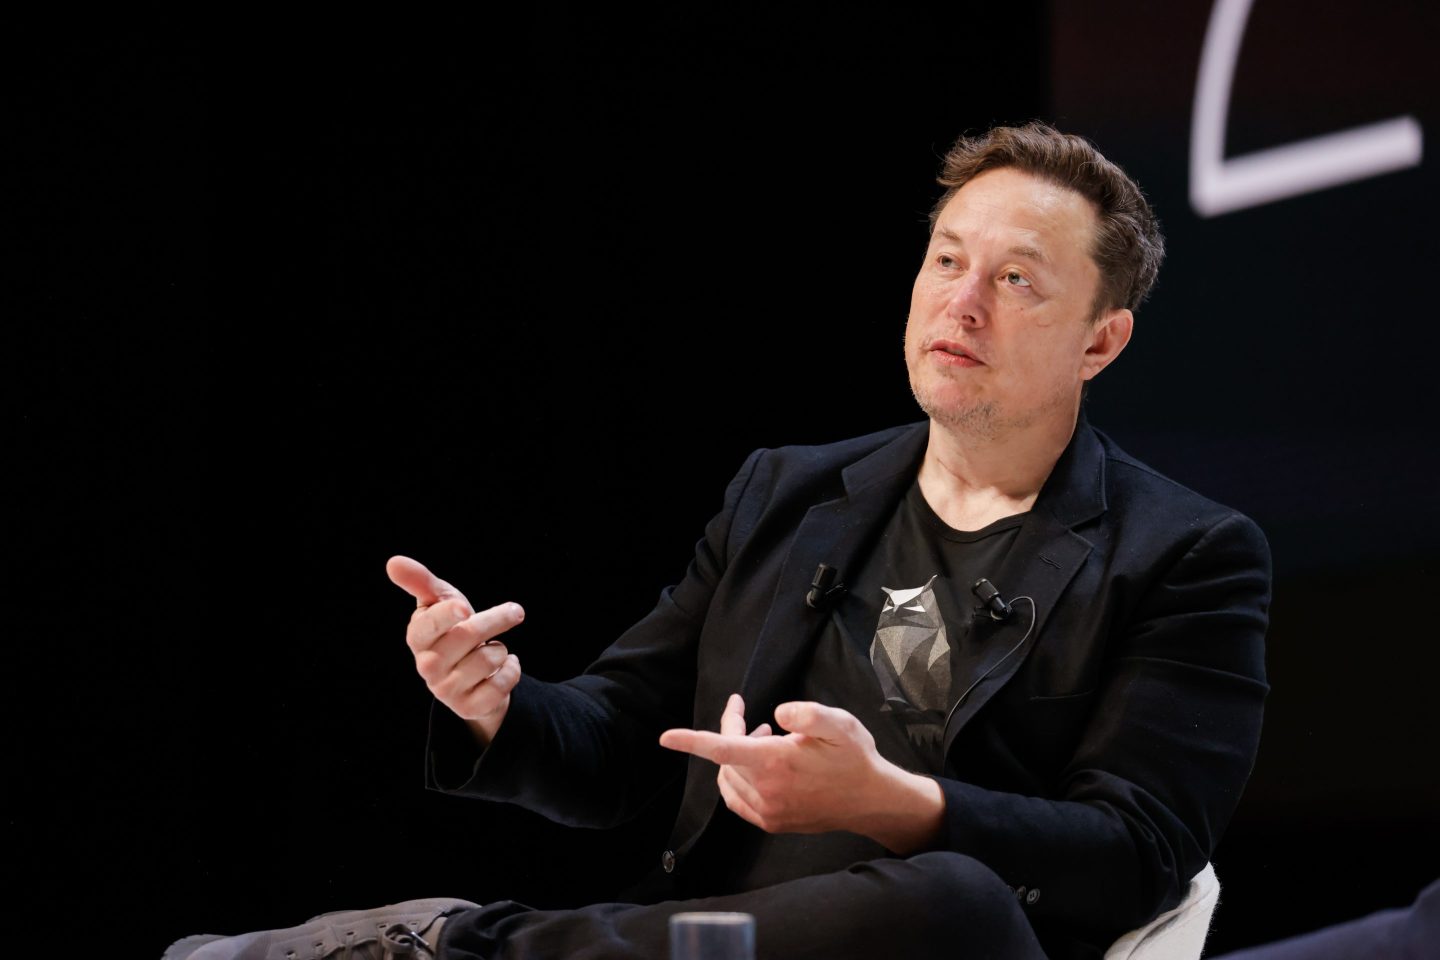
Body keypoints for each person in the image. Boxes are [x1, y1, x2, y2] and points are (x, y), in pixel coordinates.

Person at [165, 122, 1272, 960]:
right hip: (708, 937)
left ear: (1101, 342)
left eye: (1017, 278)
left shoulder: (1186, 555)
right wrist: (496, 701)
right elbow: (619, 744)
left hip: (942, 944)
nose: (964, 302)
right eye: (947, 260)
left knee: (953, 899)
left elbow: (1137, 857)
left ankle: (448, 947)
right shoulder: (788, 493)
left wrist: (889, 803)